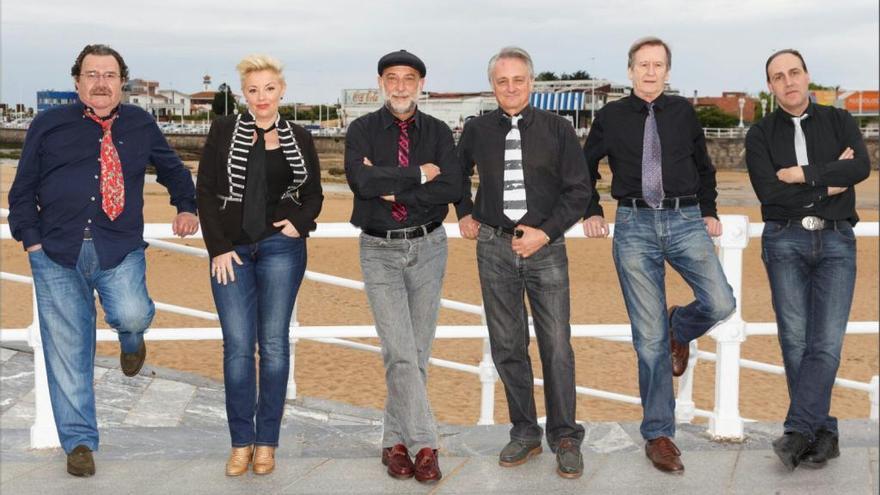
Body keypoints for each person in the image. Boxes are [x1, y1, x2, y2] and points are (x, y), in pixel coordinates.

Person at [7, 44, 199, 477]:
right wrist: (32, 242)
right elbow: (22, 190)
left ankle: (132, 340)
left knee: (132, 314)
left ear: (121, 82)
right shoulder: (48, 124)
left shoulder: (141, 123)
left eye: (109, 75)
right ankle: (78, 442)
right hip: (56, 253)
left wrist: (186, 206)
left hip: (119, 246)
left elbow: (172, 169)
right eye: (91, 74)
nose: (100, 82)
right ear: (77, 82)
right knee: (69, 351)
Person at [582, 36, 735, 474]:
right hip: (633, 225)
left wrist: (709, 211)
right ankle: (659, 434)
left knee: (722, 302)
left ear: (667, 72)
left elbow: (704, 167)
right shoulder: (610, 116)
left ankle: (679, 326)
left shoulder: (683, 112)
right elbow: (583, 168)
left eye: (658, 65)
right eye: (643, 65)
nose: (650, 72)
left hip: (686, 219)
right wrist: (592, 210)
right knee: (648, 341)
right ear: (630, 70)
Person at [456, 46, 590, 479]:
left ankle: (566, 436)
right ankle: (525, 431)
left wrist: (544, 233)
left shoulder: (559, 129)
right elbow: (456, 176)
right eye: (502, 81)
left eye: (518, 80)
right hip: (493, 247)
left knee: (556, 345)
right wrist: (463, 210)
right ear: (492, 85)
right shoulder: (476, 129)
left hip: (546, 247)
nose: (510, 88)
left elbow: (579, 191)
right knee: (508, 344)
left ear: (531, 83)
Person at [197, 54, 323, 476]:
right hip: (231, 251)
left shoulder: (300, 137)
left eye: (269, 88)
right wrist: (217, 247)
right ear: (243, 94)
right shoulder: (222, 130)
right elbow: (206, 192)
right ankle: (240, 443)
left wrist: (299, 224)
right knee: (236, 348)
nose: (262, 97)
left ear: (281, 91)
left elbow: (315, 195)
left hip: (280, 249)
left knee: (272, 347)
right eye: (253, 90)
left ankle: (267, 443)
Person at [745, 49, 870, 471]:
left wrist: (802, 174)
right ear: (770, 86)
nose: (788, 81)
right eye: (778, 77)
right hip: (784, 241)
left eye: (794, 72)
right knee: (795, 341)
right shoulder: (760, 134)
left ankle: (799, 429)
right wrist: (830, 183)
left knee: (827, 342)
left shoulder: (839, 120)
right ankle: (824, 434)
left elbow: (861, 169)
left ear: (807, 75)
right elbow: (769, 194)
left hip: (836, 240)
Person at [344, 49, 460, 484]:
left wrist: (393, 185)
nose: (399, 85)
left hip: (429, 246)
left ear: (420, 84)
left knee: (416, 353)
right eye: (391, 78)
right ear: (380, 83)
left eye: (408, 78)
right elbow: (362, 181)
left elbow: (451, 186)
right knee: (399, 351)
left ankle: (394, 443)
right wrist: (417, 174)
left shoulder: (438, 132)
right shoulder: (362, 129)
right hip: (379, 250)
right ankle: (426, 443)